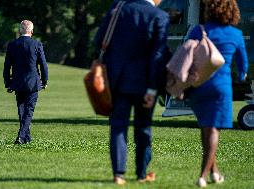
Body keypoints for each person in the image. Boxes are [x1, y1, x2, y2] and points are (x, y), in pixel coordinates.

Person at [94, 0, 169, 185]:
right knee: (143, 128)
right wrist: (153, 87)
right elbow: (158, 56)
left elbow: (99, 40)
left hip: (117, 80)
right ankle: (142, 173)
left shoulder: (117, 8)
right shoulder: (160, 16)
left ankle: (118, 174)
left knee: (118, 126)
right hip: (146, 83)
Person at [187, 0, 248, 187]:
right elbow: (243, 67)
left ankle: (215, 173)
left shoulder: (199, 30)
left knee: (206, 129)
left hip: (198, 86)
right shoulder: (236, 34)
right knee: (213, 130)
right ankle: (203, 176)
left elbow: (186, 53)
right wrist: (241, 76)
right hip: (221, 87)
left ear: (210, 10)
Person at [3, 20, 48, 145]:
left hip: (17, 82)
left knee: (22, 109)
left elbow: (7, 66)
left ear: (20, 31)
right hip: (33, 82)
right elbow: (43, 65)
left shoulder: (12, 45)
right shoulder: (37, 44)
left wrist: (8, 82)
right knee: (29, 110)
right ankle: (21, 136)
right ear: (32, 31)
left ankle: (26, 137)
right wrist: (44, 80)